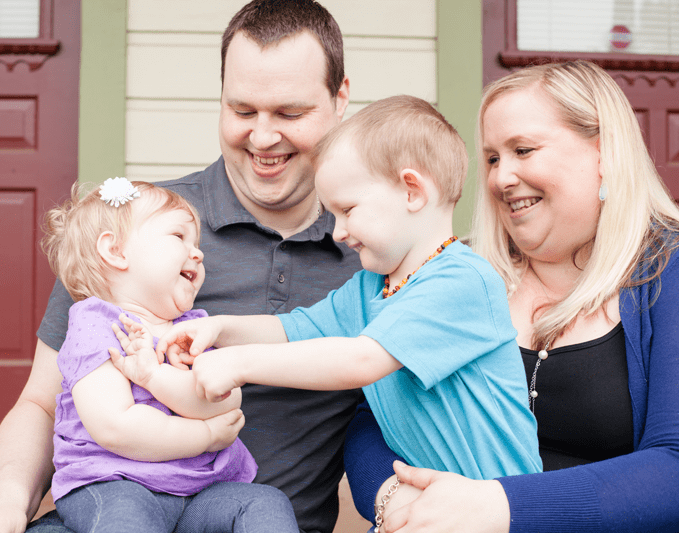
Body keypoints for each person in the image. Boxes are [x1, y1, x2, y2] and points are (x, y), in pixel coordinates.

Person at [0, 2, 361, 533]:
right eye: (241, 110)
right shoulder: (135, 235)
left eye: (289, 114)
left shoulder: (367, 255)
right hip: (110, 511)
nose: (261, 138)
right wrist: (7, 505)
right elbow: (42, 403)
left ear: (340, 98)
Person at [149, 95, 541, 529]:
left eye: (348, 210)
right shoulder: (371, 287)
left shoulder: (462, 281)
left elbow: (360, 360)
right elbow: (296, 330)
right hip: (426, 514)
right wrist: (219, 328)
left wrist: (238, 363)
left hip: (498, 516)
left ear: (412, 191)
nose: (338, 232)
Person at [344, 60, 679, 533]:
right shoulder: (459, 273)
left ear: (603, 153)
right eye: (494, 158)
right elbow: (374, 415)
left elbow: (673, 466)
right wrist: (393, 497)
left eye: (523, 150)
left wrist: (497, 507)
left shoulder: (668, 271)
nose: (502, 178)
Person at [38, 177, 297, 533]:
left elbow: (225, 399)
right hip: (114, 482)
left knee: (264, 503)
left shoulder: (191, 328)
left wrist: (154, 377)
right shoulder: (97, 326)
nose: (198, 252)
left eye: (197, 243)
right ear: (115, 251)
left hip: (200, 492)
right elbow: (116, 427)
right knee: (126, 521)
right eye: (179, 237)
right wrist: (205, 436)